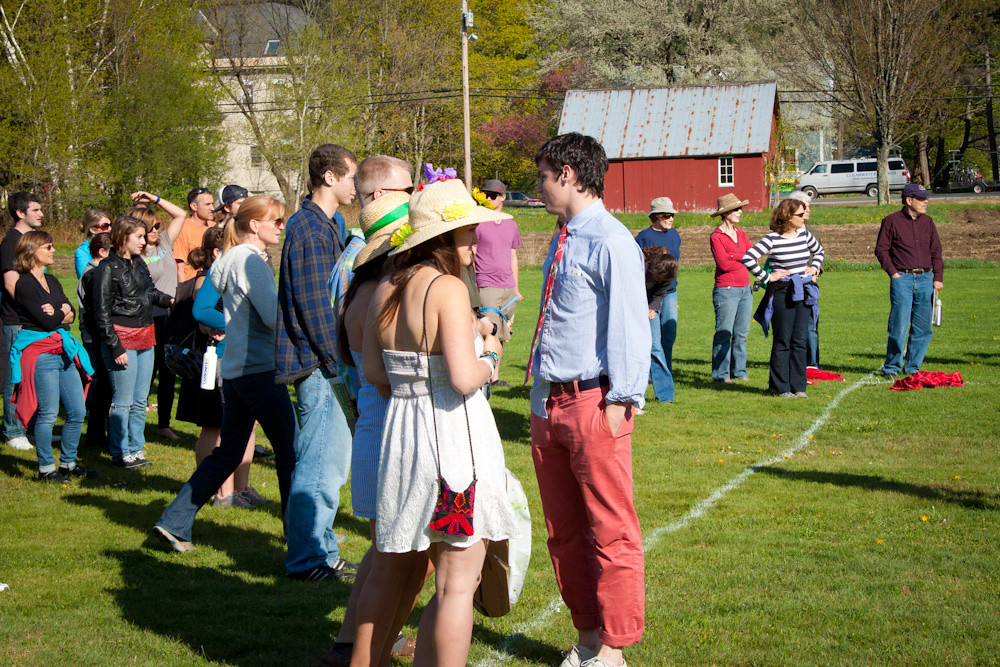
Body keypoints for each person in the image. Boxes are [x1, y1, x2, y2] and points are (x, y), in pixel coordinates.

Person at [362, 171, 519, 667]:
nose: (476, 239)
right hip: (451, 445)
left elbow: (372, 371)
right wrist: (491, 352)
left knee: (392, 569)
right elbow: (465, 376)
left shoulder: (386, 284)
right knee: (457, 582)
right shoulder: (447, 287)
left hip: (401, 440)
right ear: (444, 236)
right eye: (469, 230)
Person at [527, 133, 649, 667]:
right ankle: (588, 637)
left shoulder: (610, 239)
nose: (540, 187)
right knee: (565, 532)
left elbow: (629, 324)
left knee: (611, 530)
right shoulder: (564, 236)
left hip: (594, 403)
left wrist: (623, 398)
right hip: (549, 405)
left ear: (570, 175)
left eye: (544, 176)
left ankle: (615, 649)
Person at [154, 196, 297, 552]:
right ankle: (303, 538)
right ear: (254, 225)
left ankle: (173, 522)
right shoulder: (251, 262)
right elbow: (272, 318)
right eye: (275, 221)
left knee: (229, 452)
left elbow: (204, 308)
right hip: (259, 371)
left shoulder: (228, 257)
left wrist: (229, 327)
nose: (281, 227)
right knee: (290, 452)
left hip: (233, 372)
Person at [318, 157, 417, 667]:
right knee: (393, 556)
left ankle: (350, 646)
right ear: (378, 197)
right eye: (409, 188)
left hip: (373, 417)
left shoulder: (361, 262)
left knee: (389, 554)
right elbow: (375, 365)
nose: (416, 197)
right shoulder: (373, 264)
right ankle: (363, 652)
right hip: (385, 419)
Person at [275, 143, 358, 582]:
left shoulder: (327, 224)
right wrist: (338, 363)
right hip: (319, 366)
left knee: (330, 463)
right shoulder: (307, 229)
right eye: (350, 177)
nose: (354, 185)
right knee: (319, 463)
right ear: (328, 177)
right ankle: (307, 559)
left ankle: (322, 550)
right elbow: (315, 307)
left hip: (326, 364)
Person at [184, 226, 265, 508]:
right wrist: (231, 326)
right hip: (221, 356)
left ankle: (241, 489)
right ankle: (222, 494)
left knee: (250, 425)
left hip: (248, 356)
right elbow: (202, 311)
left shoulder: (254, 263)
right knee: (219, 425)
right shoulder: (223, 266)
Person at [10, 231, 94, 482]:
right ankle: (46, 469)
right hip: (40, 354)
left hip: (62, 351)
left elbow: (71, 316)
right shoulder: (24, 284)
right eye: (48, 246)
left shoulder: (53, 279)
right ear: (32, 250)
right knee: (47, 413)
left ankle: (68, 463)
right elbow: (47, 321)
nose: (54, 250)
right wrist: (61, 312)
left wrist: (59, 312)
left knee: (77, 411)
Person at [93, 215, 173, 468]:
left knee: (140, 400)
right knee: (123, 400)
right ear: (122, 237)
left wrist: (170, 299)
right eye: (138, 236)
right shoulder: (107, 268)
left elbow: (148, 291)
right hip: (122, 339)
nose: (144, 241)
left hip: (146, 336)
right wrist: (114, 346)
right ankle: (120, 451)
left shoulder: (139, 263)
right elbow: (101, 312)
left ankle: (136, 449)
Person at [741, 198, 825, 397]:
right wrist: (768, 277)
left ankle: (798, 387)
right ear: (788, 216)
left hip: (802, 291)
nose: (805, 217)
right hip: (781, 292)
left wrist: (814, 268)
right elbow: (747, 258)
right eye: (800, 214)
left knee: (799, 339)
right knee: (783, 339)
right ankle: (780, 388)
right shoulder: (772, 239)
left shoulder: (804, 234)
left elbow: (819, 252)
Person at [131, 192, 187, 442]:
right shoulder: (135, 254)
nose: (156, 229)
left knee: (168, 370)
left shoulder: (164, 242)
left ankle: (164, 424)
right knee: (147, 372)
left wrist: (153, 198)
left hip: (169, 315)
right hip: (148, 315)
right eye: (151, 226)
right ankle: (135, 423)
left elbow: (181, 214)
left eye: (157, 225)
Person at [875, 182, 943, 379]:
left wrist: (937, 278)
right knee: (899, 326)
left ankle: (913, 367)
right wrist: (894, 273)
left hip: (926, 279)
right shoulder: (891, 221)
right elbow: (881, 249)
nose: (926, 201)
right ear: (908, 200)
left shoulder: (928, 222)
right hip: (902, 279)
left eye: (926, 198)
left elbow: (936, 251)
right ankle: (892, 367)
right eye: (921, 199)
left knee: (923, 328)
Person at [2, 191, 45, 451]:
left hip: (33, 320)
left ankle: (28, 427)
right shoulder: (11, 242)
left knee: (32, 376)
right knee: (15, 377)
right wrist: (35, 309)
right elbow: (11, 284)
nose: (41, 214)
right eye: (36, 210)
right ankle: (12, 430)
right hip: (16, 320)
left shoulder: (29, 241)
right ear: (20, 213)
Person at [472, 179, 521, 385]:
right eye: (486, 195)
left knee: (502, 333)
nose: (489, 199)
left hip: (508, 287)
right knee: (489, 330)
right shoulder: (478, 222)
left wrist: (516, 288)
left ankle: (495, 376)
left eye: (493, 195)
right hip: (486, 284)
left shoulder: (511, 223)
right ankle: (486, 376)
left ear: (502, 197)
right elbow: (472, 253)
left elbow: (513, 256)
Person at [635, 197, 681, 403]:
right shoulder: (643, 239)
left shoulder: (668, 272)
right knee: (649, 344)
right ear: (655, 216)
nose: (670, 218)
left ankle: (664, 389)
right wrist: (646, 306)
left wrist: (654, 306)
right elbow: (633, 282)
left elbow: (664, 284)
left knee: (664, 339)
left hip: (664, 292)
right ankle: (641, 386)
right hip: (638, 295)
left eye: (672, 215)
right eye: (666, 215)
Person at [708, 193, 754, 385]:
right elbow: (723, 265)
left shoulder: (741, 233)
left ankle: (740, 371)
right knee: (724, 332)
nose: (740, 212)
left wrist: (734, 257)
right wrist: (742, 258)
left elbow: (754, 256)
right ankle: (720, 374)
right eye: (736, 209)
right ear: (725, 213)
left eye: (740, 208)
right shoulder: (716, 237)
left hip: (745, 288)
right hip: (726, 290)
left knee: (741, 333)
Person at [77, 233, 113, 450]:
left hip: (97, 334)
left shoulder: (96, 272)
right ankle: (96, 436)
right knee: (102, 386)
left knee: (105, 386)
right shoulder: (93, 274)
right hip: (95, 336)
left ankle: (98, 435)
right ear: (102, 252)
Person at [787, 190, 822, 369]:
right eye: (804, 207)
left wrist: (815, 271)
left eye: (808, 207)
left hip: (810, 285)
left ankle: (812, 363)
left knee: (811, 325)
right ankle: (794, 360)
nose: (808, 210)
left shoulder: (812, 232)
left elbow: (819, 254)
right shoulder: (785, 233)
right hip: (791, 285)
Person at [174, 187, 217, 282]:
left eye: (212, 204)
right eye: (207, 204)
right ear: (194, 206)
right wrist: (182, 293)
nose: (212, 208)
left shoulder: (214, 227)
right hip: (192, 286)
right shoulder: (182, 229)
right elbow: (179, 268)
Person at [74, 209, 111, 279]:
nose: (110, 229)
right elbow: (86, 277)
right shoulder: (82, 252)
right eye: (105, 226)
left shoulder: (113, 247)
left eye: (111, 225)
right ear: (93, 229)